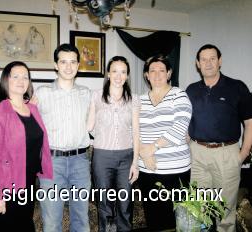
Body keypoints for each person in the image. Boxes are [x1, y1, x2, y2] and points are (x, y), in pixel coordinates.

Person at [186, 44, 252, 232]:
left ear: (220, 61)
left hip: (227, 154)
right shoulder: (191, 90)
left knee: (224, 211)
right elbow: (184, 121)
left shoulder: (237, 87)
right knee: (198, 208)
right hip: (197, 154)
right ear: (198, 64)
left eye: (212, 58)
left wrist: (243, 153)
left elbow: (249, 123)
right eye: (203, 59)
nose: (208, 63)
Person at [0, 61, 53, 231]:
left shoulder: (33, 109)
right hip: (6, 185)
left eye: (25, 77)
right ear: (6, 80)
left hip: (28, 182)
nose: (21, 80)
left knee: (25, 226)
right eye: (16, 76)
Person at [36, 43, 91, 232]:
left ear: (78, 65)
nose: (68, 67)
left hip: (81, 162)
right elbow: (27, 124)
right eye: (63, 62)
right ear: (55, 65)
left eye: (73, 62)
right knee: (51, 221)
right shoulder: (42, 93)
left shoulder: (87, 94)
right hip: (51, 162)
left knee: (81, 219)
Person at [138, 54, 192, 230]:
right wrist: (143, 154)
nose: (157, 74)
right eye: (152, 70)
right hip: (146, 169)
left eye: (162, 70)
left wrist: (151, 149)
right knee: (153, 218)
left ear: (169, 73)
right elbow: (131, 130)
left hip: (175, 170)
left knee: (177, 219)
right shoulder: (139, 100)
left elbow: (180, 128)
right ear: (146, 75)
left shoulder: (179, 95)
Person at [87, 56, 140, 232]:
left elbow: (136, 132)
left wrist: (135, 163)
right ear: (108, 74)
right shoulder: (96, 96)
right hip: (102, 157)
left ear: (127, 75)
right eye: (115, 71)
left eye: (123, 72)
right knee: (104, 203)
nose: (119, 76)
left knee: (125, 203)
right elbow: (89, 126)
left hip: (126, 157)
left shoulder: (134, 98)